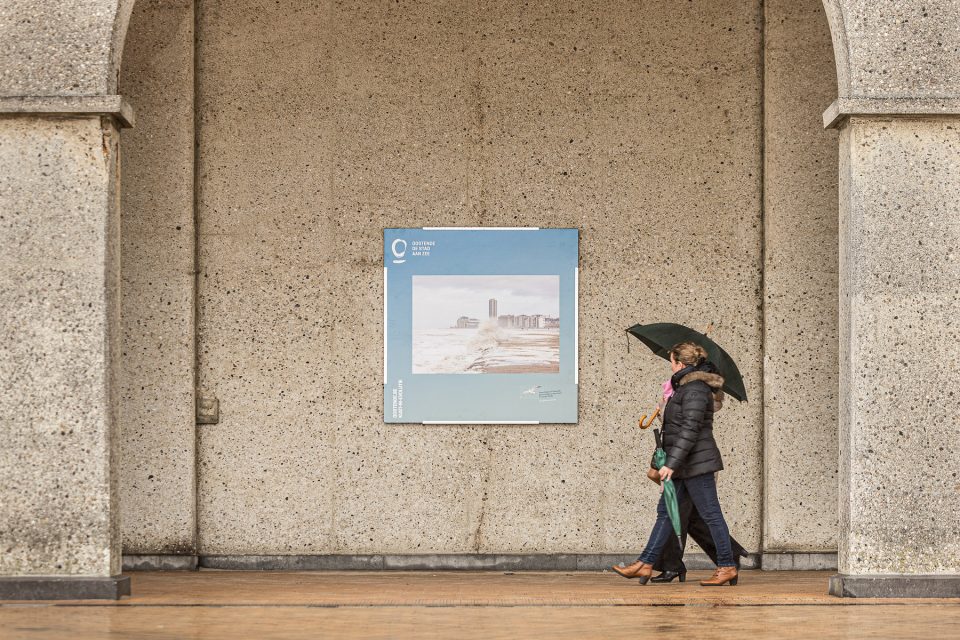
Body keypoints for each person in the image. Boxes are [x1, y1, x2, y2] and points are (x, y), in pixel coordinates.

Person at [612, 342, 740, 586]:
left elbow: (690, 430)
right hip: (683, 464)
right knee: (666, 513)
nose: (670, 365)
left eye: (671, 361)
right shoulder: (682, 389)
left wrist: (671, 463)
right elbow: (677, 426)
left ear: (680, 364)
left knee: (711, 514)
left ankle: (727, 566)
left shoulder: (695, 390)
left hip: (696, 464)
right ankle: (645, 563)